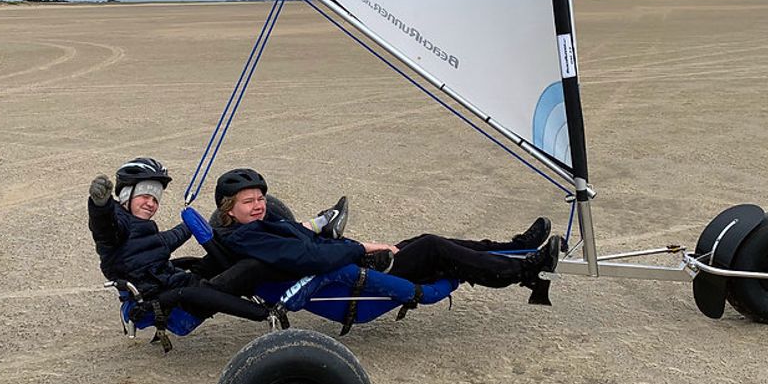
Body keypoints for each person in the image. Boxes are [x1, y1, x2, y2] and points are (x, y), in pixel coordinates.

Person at [210, 168, 562, 298]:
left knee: (433, 244)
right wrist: (362, 247)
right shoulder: (250, 238)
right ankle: (524, 270)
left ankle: (516, 248)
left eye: (260, 199)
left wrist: (320, 227)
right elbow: (310, 257)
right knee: (433, 247)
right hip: (353, 274)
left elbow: (296, 235)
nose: (257, 205)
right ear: (229, 209)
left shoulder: (256, 227)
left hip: (353, 262)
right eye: (247, 202)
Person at [86, 157, 347, 325]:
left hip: (172, 281)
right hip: (165, 299)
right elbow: (103, 226)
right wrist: (100, 204)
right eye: (145, 194)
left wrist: (194, 224)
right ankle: (267, 314)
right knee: (252, 266)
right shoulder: (116, 226)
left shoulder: (141, 228)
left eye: (155, 197)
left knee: (226, 245)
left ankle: (313, 228)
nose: (151, 202)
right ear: (125, 194)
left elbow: (164, 242)